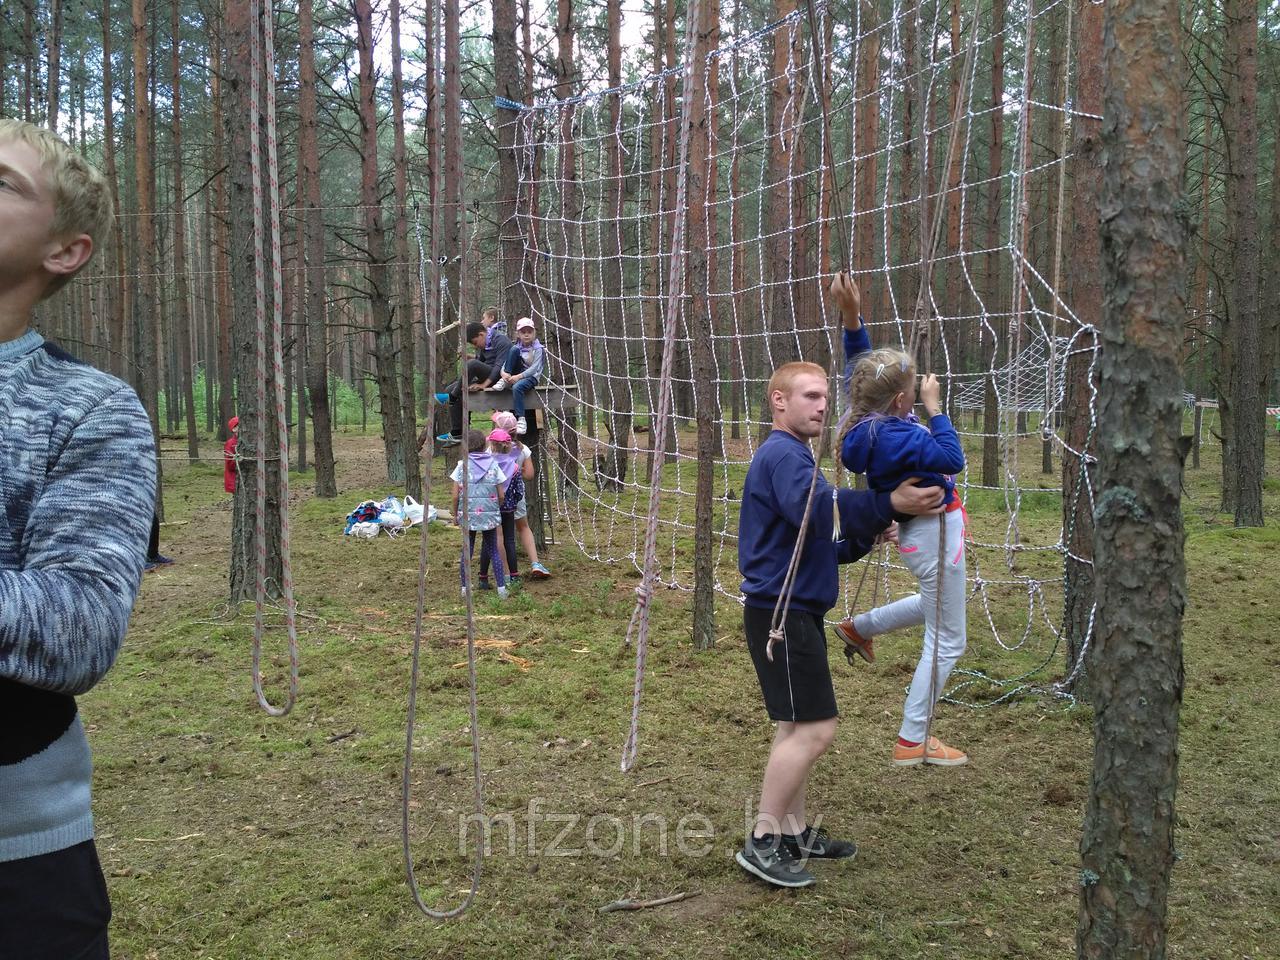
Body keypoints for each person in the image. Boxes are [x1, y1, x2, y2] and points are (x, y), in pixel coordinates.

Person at [0, 120, 156, 959]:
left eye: (3, 183)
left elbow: (78, 627)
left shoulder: (87, 409)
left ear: (65, 251)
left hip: (16, 871)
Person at [737, 351, 945, 889]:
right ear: (778, 401)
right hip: (782, 613)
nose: (822, 407)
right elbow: (818, 507)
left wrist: (864, 534)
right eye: (810, 396)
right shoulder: (784, 455)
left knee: (795, 725)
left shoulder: (796, 454)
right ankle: (761, 841)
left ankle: (792, 832)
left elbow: (815, 538)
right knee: (816, 729)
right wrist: (887, 503)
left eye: (827, 397)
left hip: (794, 607)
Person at [833, 342, 970, 769]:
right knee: (949, 639)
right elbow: (953, 458)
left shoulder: (866, 428)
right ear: (901, 400)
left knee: (937, 607)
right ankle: (913, 738)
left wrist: (854, 320)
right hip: (934, 533)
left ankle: (859, 628)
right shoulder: (903, 433)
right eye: (913, 390)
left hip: (924, 532)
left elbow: (867, 372)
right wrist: (935, 408)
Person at [434, 309, 512, 447]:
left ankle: (452, 397)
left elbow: (498, 366)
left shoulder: (501, 340)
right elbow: (480, 362)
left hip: (501, 379)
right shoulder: (486, 343)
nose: (476, 346)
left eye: (475, 343)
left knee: (458, 387)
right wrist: (472, 358)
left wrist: (484, 385)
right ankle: (458, 432)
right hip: (488, 376)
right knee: (450, 389)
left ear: (482, 334)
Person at [490, 411, 550, 578]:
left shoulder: (490, 450)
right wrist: (518, 470)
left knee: (499, 533)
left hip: (495, 496)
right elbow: (530, 475)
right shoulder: (523, 450)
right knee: (523, 527)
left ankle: (506, 572)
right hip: (516, 496)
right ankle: (535, 562)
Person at [451, 429, 510, 598]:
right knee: (493, 550)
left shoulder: (461, 466)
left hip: (467, 515)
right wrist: (495, 508)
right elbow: (501, 494)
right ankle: (501, 589)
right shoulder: (493, 464)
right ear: (485, 446)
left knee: (467, 552)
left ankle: (465, 588)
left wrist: (455, 514)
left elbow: (455, 495)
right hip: (489, 515)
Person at [479, 427, 522, 588]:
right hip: (509, 509)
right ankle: (514, 576)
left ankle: (483, 578)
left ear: (492, 444)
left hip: (490, 508)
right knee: (509, 540)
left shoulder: (486, 466)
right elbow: (520, 490)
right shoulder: (515, 467)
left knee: (487, 542)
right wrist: (514, 502)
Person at [488, 316, 544, 436]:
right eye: (523, 332)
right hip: (516, 374)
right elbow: (506, 362)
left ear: (534, 333)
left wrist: (518, 377)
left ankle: (521, 419)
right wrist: (504, 373)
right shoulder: (516, 347)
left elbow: (534, 369)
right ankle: (504, 380)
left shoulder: (538, 349)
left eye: (529, 332)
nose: (526, 335)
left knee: (517, 387)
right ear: (518, 334)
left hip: (531, 377)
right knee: (513, 350)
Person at [223, 416, 239, 494]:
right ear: (233, 429)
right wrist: (238, 459)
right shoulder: (230, 443)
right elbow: (229, 465)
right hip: (234, 480)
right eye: (238, 426)